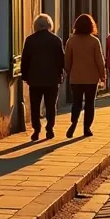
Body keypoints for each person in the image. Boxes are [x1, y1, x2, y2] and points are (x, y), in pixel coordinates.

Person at [19, 13, 64, 141]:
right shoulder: (56, 40)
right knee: (50, 105)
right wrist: (60, 73)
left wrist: (25, 76)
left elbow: (25, 60)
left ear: (36, 25)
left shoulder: (30, 40)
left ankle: (36, 130)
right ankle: (49, 129)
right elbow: (61, 60)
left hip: (35, 78)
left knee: (35, 105)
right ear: (49, 25)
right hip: (52, 79)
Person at [63, 13, 105, 138]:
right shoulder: (94, 41)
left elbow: (67, 59)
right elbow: (99, 60)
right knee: (89, 103)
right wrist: (103, 76)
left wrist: (69, 71)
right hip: (92, 78)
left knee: (76, 102)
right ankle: (87, 128)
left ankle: (74, 122)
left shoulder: (71, 40)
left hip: (76, 77)